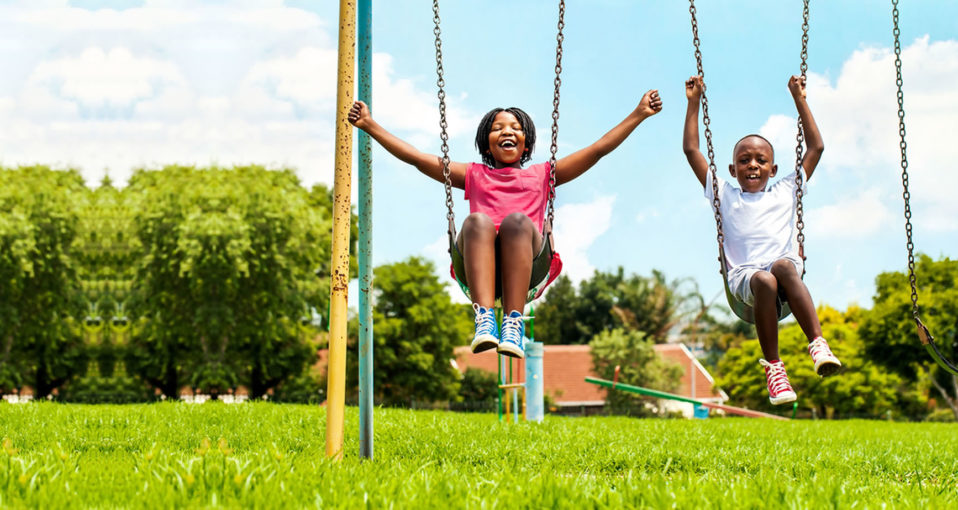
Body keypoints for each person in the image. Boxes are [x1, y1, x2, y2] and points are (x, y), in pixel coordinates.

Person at [349, 90, 662, 359]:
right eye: (498, 128)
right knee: (477, 221)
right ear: (487, 145)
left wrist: (638, 114)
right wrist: (369, 126)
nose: (507, 131)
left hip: (529, 266)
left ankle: (514, 322)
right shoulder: (473, 174)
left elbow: (597, 150)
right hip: (477, 265)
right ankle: (484, 318)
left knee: (515, 222)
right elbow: (419, 159)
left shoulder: (542, 175)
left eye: (515, 127)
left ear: (526, 145)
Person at [682, 75, 841, 405]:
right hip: (745, 278)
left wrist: (799, 98)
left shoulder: (787, 189)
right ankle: (775, 369)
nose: (752, 164)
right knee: (765, 279)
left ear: (773, 168)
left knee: (782, 266)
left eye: (760, 160)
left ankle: (818, 344)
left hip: (785, 270)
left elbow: (816, 148)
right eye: (744, 160)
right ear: (732, 168)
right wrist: (693, 102)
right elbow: (692, 149)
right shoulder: (724, 194)